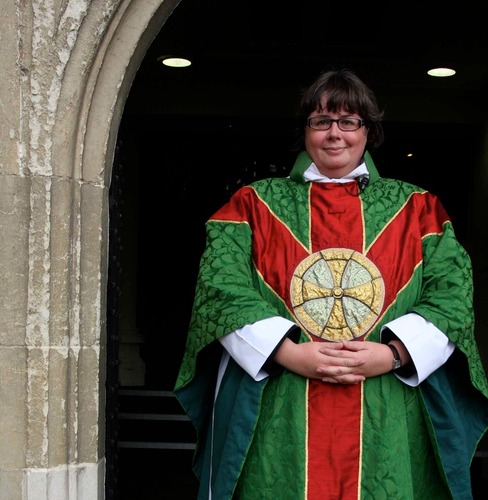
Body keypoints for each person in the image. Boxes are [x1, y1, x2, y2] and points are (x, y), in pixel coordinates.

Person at [173, 68, 488, 499]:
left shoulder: (419, 208)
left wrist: (394, 354)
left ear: (368, 131)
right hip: (281, 399)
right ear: (305, 131)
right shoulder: (252, 204)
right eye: (321, 121)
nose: (334, 134)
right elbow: (220, 288)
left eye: (348, 121)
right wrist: (287, 352)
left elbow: (452, 296)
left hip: (385, 400)